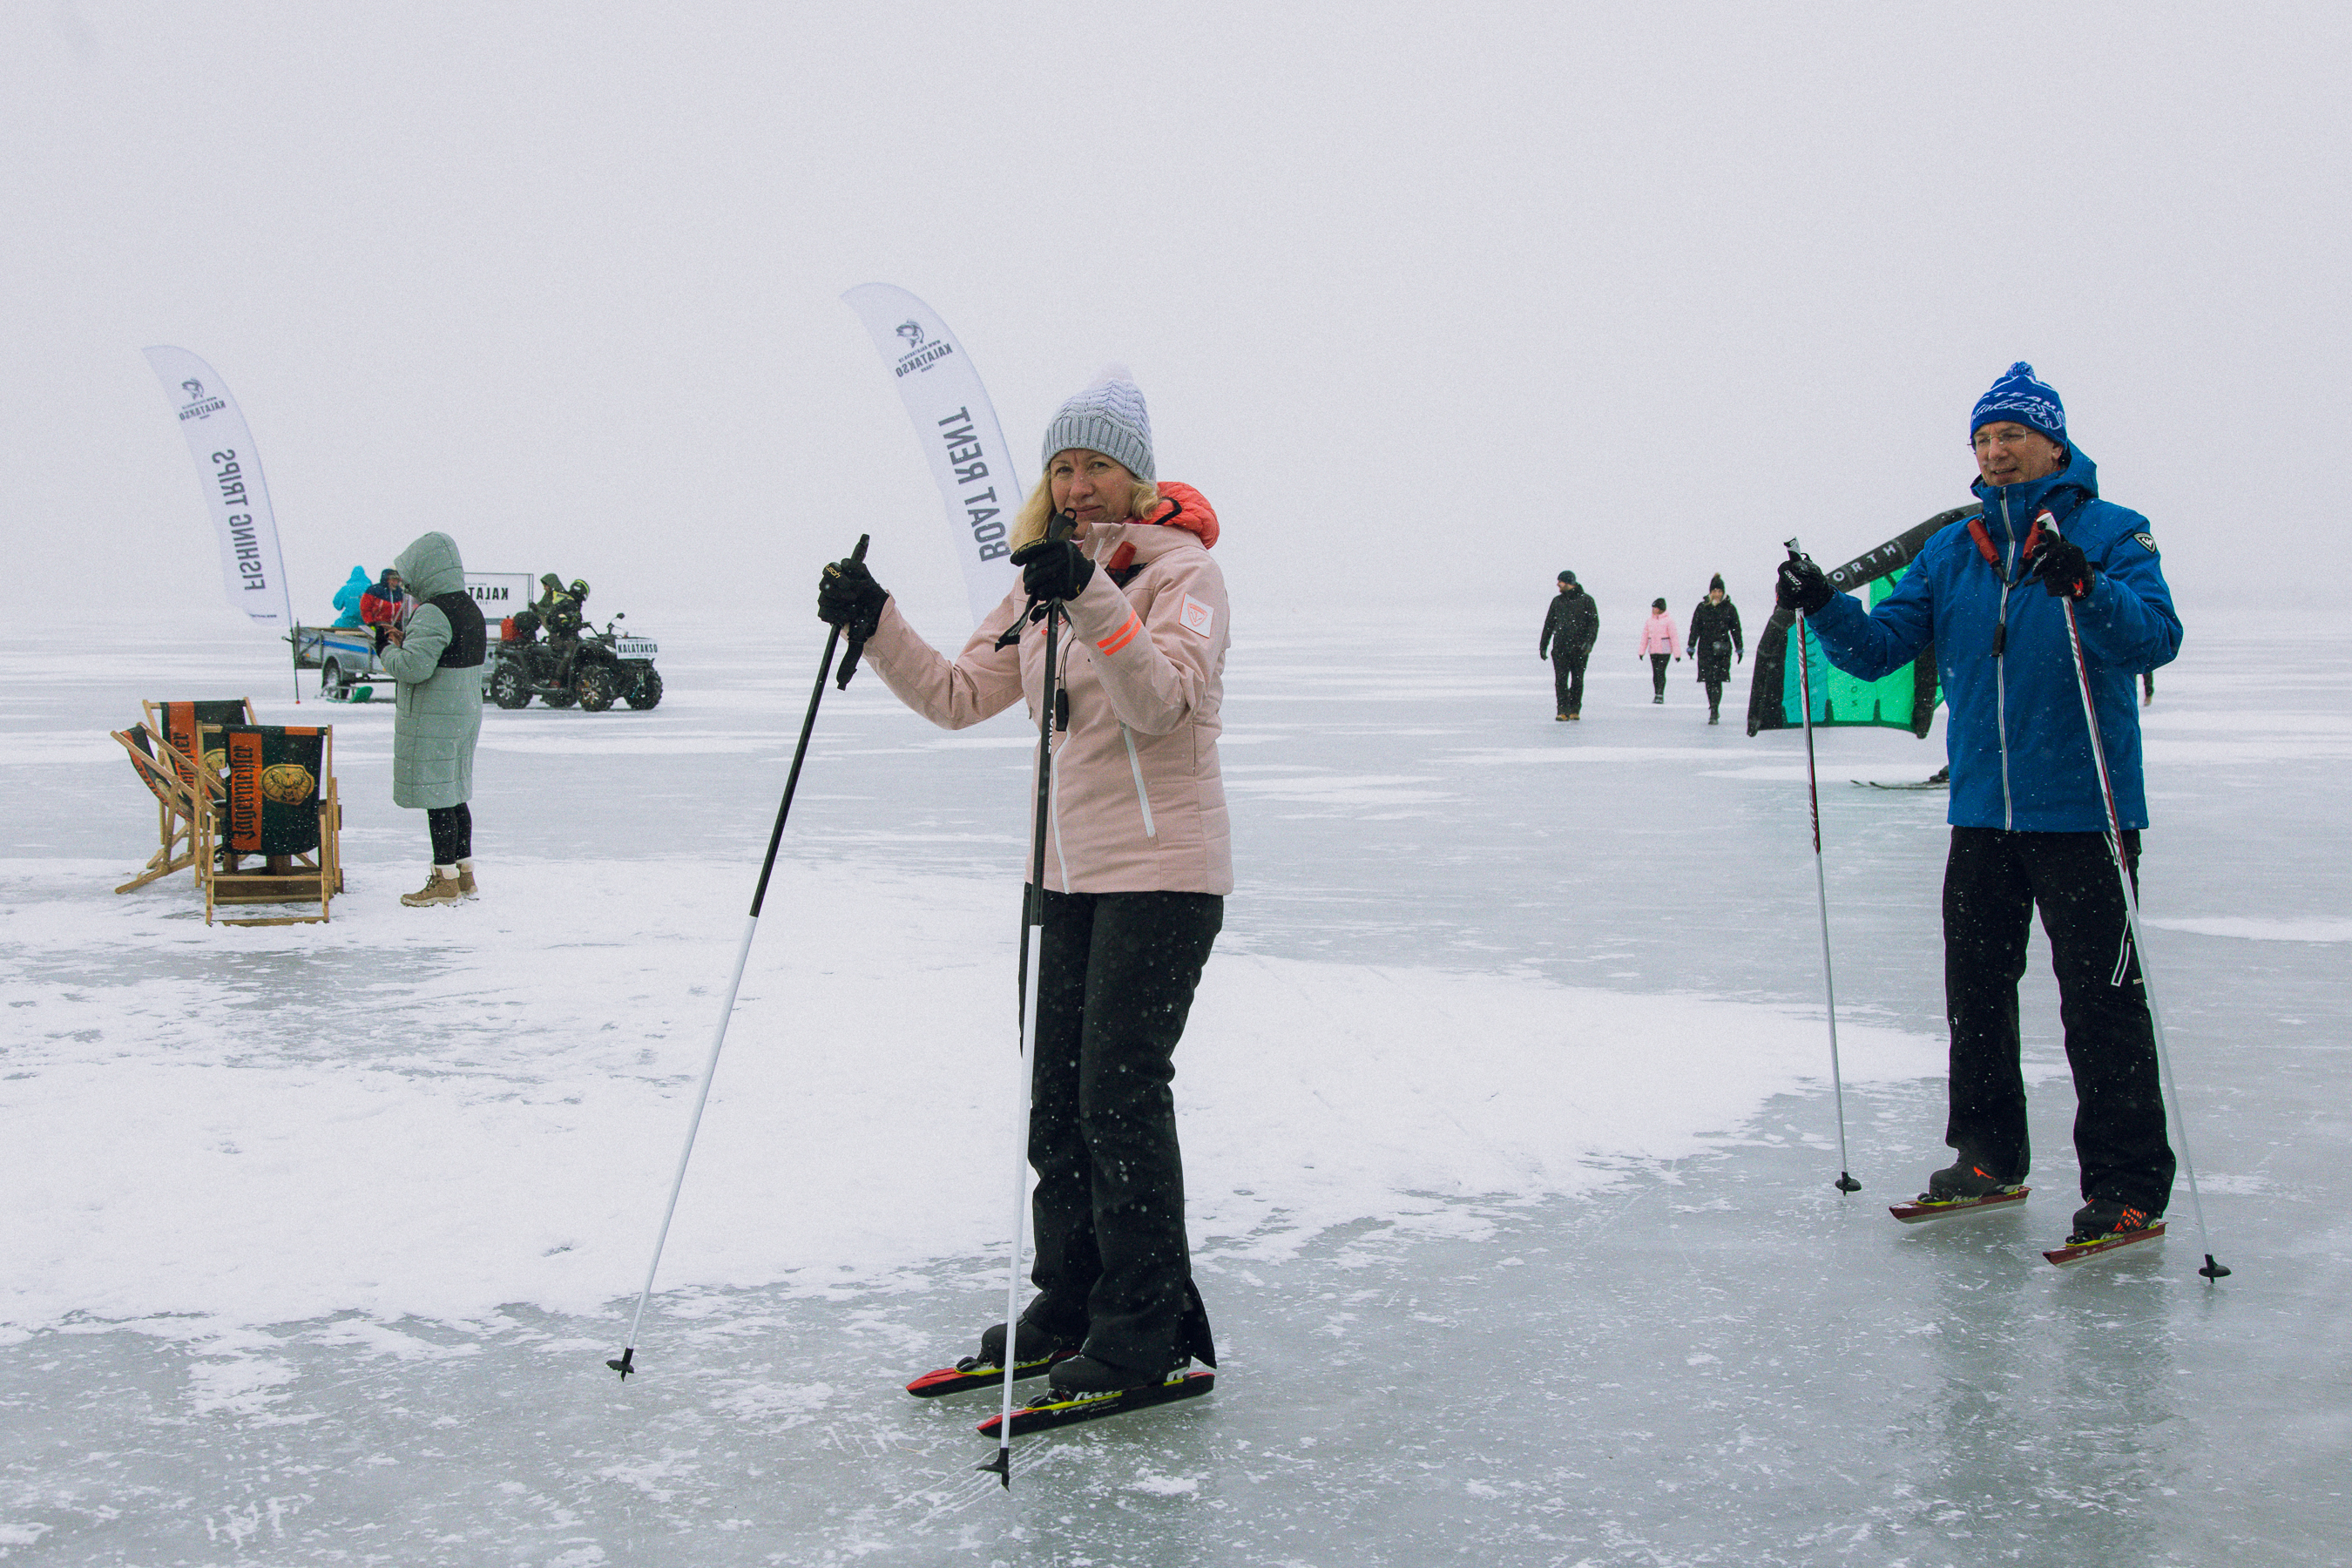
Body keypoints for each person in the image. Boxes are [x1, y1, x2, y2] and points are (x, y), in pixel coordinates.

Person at [815, 367, 1225, 1401]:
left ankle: (1148, 1328)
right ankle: (1073, 1298)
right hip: (1069, 878)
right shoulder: (1040, 582)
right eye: (1061, 466)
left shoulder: (1181, 577)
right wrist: (875, 621)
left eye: (1095, 464)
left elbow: (1162, 706)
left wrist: (1089, 597)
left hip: (1164, 877)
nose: (1076, 483)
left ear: (1135, 477)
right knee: (1056, 1103)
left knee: (1120, 1097)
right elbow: (960, 695)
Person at [1774, 362, 2181, 1247]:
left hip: (2087, 813)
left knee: (2102, 1004)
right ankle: (1989, 1158)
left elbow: (2156, 637)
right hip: (1985, 817)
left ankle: (2126, 1187)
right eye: (1983, 440)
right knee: (1978, 993)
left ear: (2054, 444)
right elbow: (1883, 649)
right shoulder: (1954, 549)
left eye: (2011, 437)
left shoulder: (2115, 533)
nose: (1995, 453)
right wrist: (1825, 606)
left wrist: (2085, 583)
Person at [380, 532, 486, 906]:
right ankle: (464, 876)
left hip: (436, 716)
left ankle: (443, 882)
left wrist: (385, 649)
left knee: (438, 798)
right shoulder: (469, 608)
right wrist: (408, 638)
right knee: (455, 792)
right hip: (464, 712)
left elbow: (413, 668)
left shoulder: (433, 611)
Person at [1538, 571, 1598, 720]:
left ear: (1569, 582)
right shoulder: (1557, 601)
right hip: (1560, 648)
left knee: (1577, 680)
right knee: (1560, 680)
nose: (1558, 584)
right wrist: (1543, 645)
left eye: (1561, 581)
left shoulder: (1587, 600)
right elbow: (1549, 625)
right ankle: (1562, 711)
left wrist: (1589, 643)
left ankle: (1574, 710)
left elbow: (1594, 624)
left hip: (1580, 649)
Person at [1686, 574, 1745, 725]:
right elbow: (1695, 627)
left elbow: (1736, 629)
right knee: (1708, 679)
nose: (1717, 594)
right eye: (1715, 591)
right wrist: (1691, 644)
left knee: (1717, 680)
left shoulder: (1730, 608)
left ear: (1723, 592)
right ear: (1710, 592)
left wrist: (1739, 648)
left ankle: (1714, 709)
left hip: (1722, 649)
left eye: (1720, 591)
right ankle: (1712, 705)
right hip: (1705, 648)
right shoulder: (1702, 607)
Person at [1638, 598, 1680, 703]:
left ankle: (1660, 694)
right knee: (1656, 673)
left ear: (1661, 609)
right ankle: (1656, 693)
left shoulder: (1669, 621)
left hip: (1664, 651)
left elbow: (1674, 637)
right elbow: (1645, 637)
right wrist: (1641, 651)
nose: (1653, 610)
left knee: (1661, 671)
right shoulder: (1649, 621)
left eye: (1656, 608)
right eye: (1653, 608)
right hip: (1653, 651)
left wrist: (1677, 654)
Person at [360, 569, 408, 655]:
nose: (395, 582)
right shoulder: (374, 591)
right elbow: (365, 608)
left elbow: (407, 607)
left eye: (397, 580)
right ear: (387, 579)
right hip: (380, 623)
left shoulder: (400, 593)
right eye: (393, 580)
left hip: (397, 624)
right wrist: (370, 622)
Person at [331, 565, 371, 629]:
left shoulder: (346, 588)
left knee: (336, 625)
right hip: (366, 623)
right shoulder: (370, 588)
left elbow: (337, 604)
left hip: (348, 622)